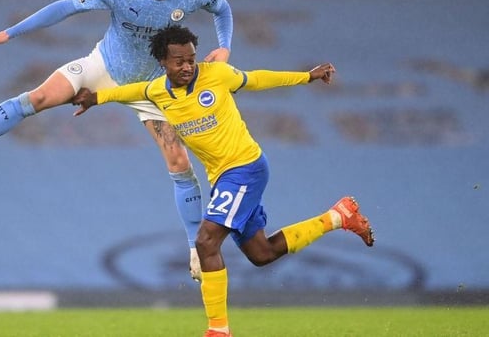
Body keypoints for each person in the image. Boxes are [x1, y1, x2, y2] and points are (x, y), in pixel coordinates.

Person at [0, 0, 233, 281]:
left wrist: (225, 47)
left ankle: (195, 250)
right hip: (103, 67)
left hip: (149, 87)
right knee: (37, 98)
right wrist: (8, 33)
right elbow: (65, 7)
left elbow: (222, 9)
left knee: (179, 162)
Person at [72, 25, 374, 337]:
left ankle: (218, 330)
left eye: (191, 59)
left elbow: (257, 79)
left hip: (245, 168)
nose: (188, 66)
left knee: (206, 240)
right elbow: (131, 91)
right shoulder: (157, 91)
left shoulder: (216, 74)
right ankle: (339, 216)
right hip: (223, 178)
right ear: (163, 61)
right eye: (179, 61)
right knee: (262, 254)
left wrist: (306, 76)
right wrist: (96, 98)